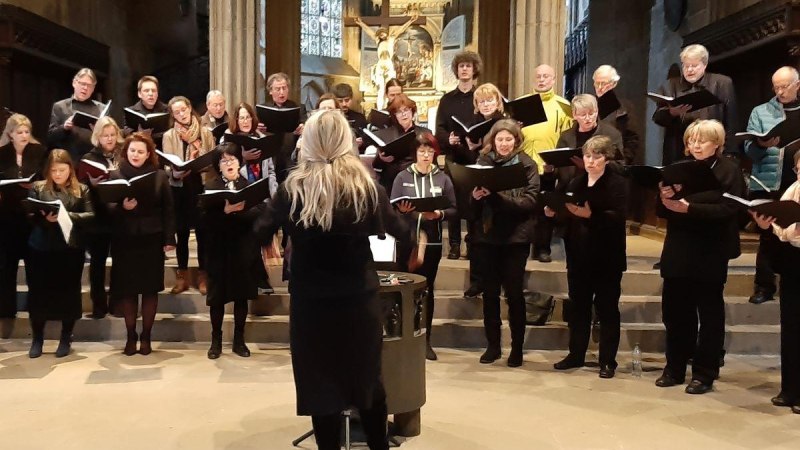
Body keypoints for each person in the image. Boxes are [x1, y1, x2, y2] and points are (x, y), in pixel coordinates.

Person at [254, 110, 408, 450]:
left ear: (307, 141)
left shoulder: (292, 188)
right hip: (359, 299)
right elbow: (399, 231)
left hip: (312, 303)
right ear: (346, 141)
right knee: (367, 380)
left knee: (320, 385)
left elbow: (260, 230)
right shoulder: (366, 187)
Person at [656, 119, 744, 394]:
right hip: (679, 247)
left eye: (701, 141)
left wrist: (689, 208)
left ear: (716, 144)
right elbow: (663, 213)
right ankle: (674, 368)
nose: (695, 145)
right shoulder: (678, 169)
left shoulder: (729, 170)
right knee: (675, 312)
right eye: (691, 141)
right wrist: (665, 198)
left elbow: (731, 210)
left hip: (710, 249)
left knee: (709, 314)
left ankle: (704, 373)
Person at [544, 135, 627, 378]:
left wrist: (590, 215)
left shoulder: (617, 183)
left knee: (607, 308)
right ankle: (576, 354)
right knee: (578, 307)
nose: (591, 161)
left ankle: (608, 361)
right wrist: (554, 212)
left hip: (606, 256)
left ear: (607, 158)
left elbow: (618, 217)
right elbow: (568, 214)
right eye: (587, 156)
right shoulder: (576, 183)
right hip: (579, 255)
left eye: (597, 156)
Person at [470, 119, 540, 367]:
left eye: (509, 139)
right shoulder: (483, 162)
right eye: (500, 139)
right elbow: (472, 204)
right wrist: (476, 198)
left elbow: (530, 202)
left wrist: (497, 198)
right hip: (488, 237)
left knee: (514, 294)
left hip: (515, 238)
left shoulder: (527, 164)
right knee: (490, 293)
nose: (504, 143)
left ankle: (517, 348)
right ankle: (493, 345)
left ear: (516, 140)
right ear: (493, 141)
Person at [391, 132, 457, 361]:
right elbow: (392, 207)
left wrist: (438, 213)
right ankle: (401, 337)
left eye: (430, 151)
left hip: (432, 241)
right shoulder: (402, 177)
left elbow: (454, 209)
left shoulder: (443, 178)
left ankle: (425, 341)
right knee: (404, 288)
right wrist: (402, 211)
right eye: (422, 151)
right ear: (415, 153)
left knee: (427, 289)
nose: (426, 155)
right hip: (407, 240)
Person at [109, 133, 176, 356]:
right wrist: (122, 208)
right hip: (124, 239)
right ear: (125, 152)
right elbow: (106, 207)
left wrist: (169, 239)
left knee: (149, 290)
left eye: (140, 151)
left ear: (148, 154)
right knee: (128, 290)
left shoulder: (159, 176)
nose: (135, 154)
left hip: (151, 238)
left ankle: (146, 336)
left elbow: (168, 209)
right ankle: (130, 336)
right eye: (132, 150)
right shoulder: (116, 175)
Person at [25, 149, 94, 358]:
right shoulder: (38, 187)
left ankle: (66, 337)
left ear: (70, 169)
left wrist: (67, 214)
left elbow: (91, 215)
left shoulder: (81, 189)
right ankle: (37, 338)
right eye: (53, 170)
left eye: (61, 170)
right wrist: (43, 218)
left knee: (68, 294)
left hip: (69, 249)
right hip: (40, 248)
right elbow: (28, 214)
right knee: (38, 294)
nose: (57, 174)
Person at [744, 66, 800, 305]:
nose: (780, 91)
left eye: (785, 86)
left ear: (797, 84)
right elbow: (748, 149)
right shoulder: (761, 111)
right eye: (776, 86)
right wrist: (762, 144)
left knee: (794, 234)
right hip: (767, 182)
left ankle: (792, 280)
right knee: (767, 234)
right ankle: (764, 286)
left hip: (796, 182)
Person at [202, 145, 264, 359]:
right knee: (217, 298)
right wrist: (225, 211)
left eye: (232, 160)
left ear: (240, 162)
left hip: (242, 249)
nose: (229, 164)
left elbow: (258, 214)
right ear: (218, 166)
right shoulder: (211, 187)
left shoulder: (249, 186)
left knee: (241, 296)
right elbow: (204, 220)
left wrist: (241, 211)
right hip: (219, 249)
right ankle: (216, 341)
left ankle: (239, 340)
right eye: (223, 161)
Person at [751, 150, 800, 415]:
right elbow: (778, 243)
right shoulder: (791, 193)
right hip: (794, 265)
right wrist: (766, 226)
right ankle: (790, 388)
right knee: (791, 328)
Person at [162, 96, 215, 295]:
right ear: (173, 115)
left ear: (190, 108)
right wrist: (174, 172)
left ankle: (203, 276)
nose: (181, 114)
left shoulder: (205, 132)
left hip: (200, 185)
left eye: (184, 110)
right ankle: (182, 276)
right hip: (180, 188)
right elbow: (167, 164)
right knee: (182, 233)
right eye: (177, 112)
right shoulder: (169, 135)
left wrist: (200, 161)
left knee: (203, 234)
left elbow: (213, 158)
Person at [520, 64, 573, 263]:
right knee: (524, 209)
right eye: (538, 76)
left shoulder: (563, 106)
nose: (542, 80)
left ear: (553, 79)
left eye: (546, 76)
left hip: (547, 166)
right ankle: (523, 246)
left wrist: (558, 165)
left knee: (545, 210)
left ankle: (543, 248)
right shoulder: (522, 104)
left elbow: (567, 138)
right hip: (524, 166)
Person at [652, 44, 738, 165]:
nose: (689, 70)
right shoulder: (670, 86)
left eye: (694, 66)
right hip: (679, 151)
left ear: (705, 65)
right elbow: (657, 118)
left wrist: (730, 154)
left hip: (713, 152)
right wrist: (672, 112)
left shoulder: (722, 83)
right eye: (686, 66)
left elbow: (731, 119)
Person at [225, 102, 278, 293]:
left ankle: (257, 279)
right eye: (241, 117)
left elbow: (270, 171)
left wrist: (274, 195)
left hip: (261, 197)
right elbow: (226, 172)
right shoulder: (229, 143)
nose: (245, 120)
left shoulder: (262, 139)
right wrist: (244, 158)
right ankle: (259, 279)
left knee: (255, 237)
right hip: (241, 198)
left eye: (248, 117)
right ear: (236, 120)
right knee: (250, 238)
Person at [435, 50, 482, 261]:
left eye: (468, 65)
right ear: (456, 70)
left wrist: (479, 140)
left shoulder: (481, 97)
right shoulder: (447, 99)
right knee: (453, 202)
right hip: (454, 156)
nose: (464, 69)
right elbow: (440, 128)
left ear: (474, 70)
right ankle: (454, 244)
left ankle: (472, 243)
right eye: (461, 66)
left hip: (476, 157)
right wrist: (448, 140)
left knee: (474, 202)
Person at [0, 114, 47, 318]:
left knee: (35, 266)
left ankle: (36, 306)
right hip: (7, 216)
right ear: (10, 134)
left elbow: (48, 177)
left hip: (31, 216)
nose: (24, 135)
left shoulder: (40, 151)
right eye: (19, 132)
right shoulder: (1, 154)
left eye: (27, 131)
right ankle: (6, 309)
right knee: (6, 266)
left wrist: (36, 184)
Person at [79, 116, 123, 318]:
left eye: (113, 135)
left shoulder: (123, 155)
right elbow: (79, 190)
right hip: (97, 218)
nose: (110, 139)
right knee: (98, 262)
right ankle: (98, 304)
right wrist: (92, 186)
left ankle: (117, 302)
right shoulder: (89, 158)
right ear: (98, 136)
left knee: (120, 262)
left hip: (119, 216)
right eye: (105, 135)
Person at [555, 94, 625, 190]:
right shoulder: (566, 137)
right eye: (583, 115)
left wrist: (591, 166)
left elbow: (620, 168)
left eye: (591, 113)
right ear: (574, 115)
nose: (588, 118)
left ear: (597, 111)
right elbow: (559, 171)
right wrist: (549, 171)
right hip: (569, 189)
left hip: (601, 190)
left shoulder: (611, 135)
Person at [353, 11, 419, 109]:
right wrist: (360, 23)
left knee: (390, 87)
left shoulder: (391, 39)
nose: (382, 35)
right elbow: (369, 31)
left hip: (388, 64)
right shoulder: (378, 41)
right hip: (380, 64)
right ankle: (380, 108)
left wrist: (410, 21)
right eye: (380, 34)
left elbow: (401, 29)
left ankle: (391, 106)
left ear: (386, 34)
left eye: (383, 33)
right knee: (380, 88)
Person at [372, 94, 429, 194]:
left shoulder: (425, 133)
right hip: (391, 183)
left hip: (416, 181)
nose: (404, 114)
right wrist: (381, 159)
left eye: (406, 110)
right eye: (399, 112)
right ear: (394, 115)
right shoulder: (386, 134)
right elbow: (376, 166)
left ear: (412, 111)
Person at [47, 68, 104, 161]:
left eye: (89, 86)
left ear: (93, 89)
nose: (85, 88)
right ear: (74, 83)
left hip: (94, 159)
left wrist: (99, 133)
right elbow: (51, 138)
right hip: (68, 160)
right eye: (83, 84)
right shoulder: (60, 106)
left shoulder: (101, 109)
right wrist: (64, 128)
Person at [264, 72, 307, 183]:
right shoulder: (263, 109)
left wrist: (303, 128)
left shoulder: (299, 108)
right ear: (270, 91)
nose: (281, 92)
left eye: (284, 88)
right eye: (278, 89)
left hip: (291, 157)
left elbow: (306, 126)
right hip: (271, 157)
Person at [592, 65, 638, 165]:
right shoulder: (590, 105)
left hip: (615, 162)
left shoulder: (625, 107)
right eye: (597, 83)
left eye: (603, 83)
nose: (599, 88)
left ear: (613, 84)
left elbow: (632, 138)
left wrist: (624, 160)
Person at [123, 75, 169, 148]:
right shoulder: (131, 111)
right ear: (139, 94)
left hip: (161, 149)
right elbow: (126, 133)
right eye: (146, 91)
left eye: (153, 91)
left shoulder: (166, 110)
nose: (150, 94)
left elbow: (169, 132)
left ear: (157, 94)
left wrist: (150, 135)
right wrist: (140, 134)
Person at [333, 83, 368, 152]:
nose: (344, 104)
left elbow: (367, 140)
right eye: (340, 101)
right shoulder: (331, 118)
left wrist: (362, 142)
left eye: (347, 100)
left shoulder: (360, 117)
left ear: (351, 99)